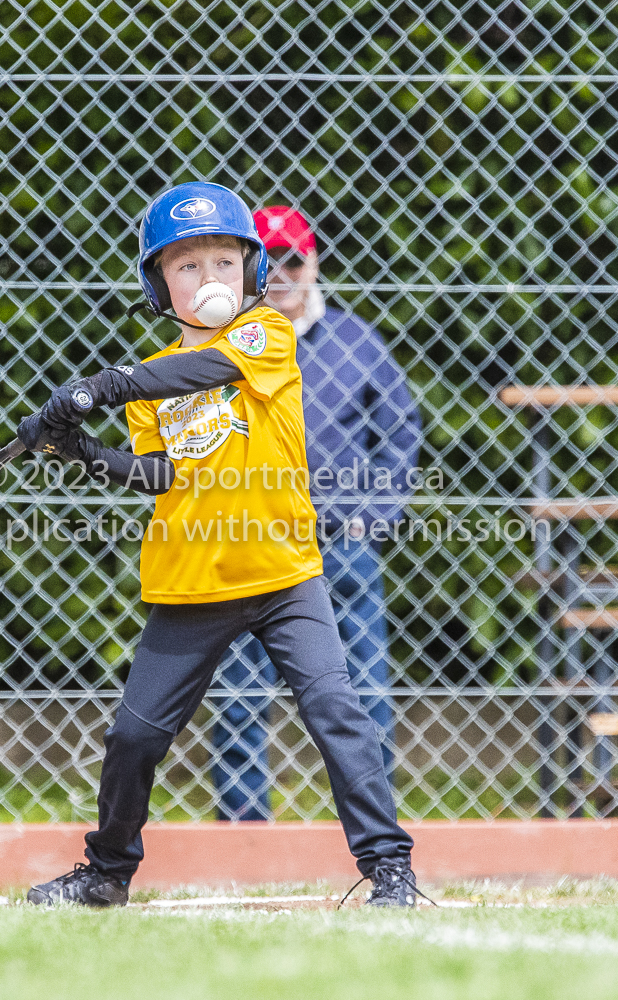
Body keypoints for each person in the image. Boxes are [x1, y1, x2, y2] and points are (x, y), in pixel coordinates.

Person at [16, 181, 421, 908]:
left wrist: (102, 387)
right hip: (193, 584)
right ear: (159, 283)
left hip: (283, 574)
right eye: (186, 266)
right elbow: (160, 473)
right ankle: (107, 873)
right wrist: (78, 451)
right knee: (133, 740)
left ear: (252, 273)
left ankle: (390, 868)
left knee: (337, 713)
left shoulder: (265, 336)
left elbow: (203, 369)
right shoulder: (152, 379)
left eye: (223, 263)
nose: (208, 281)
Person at [211, 205, 422, 820]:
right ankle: (244, 829)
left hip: (341, 543)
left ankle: (370, 824)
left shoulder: (357, 340)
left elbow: (400, 430)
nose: (280, 273)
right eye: (265, 261)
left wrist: (374, 514)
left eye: (292, 259)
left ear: (315, 261)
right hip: (251, 539)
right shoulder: (226, 346)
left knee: (362, 690)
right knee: (240, 692)